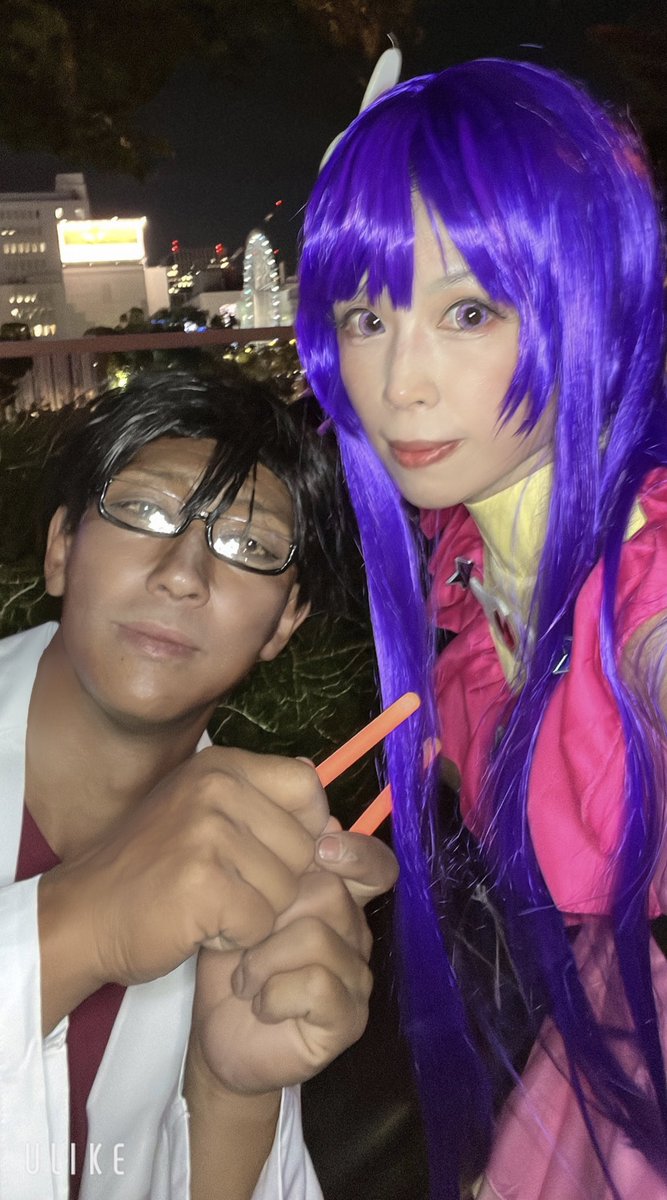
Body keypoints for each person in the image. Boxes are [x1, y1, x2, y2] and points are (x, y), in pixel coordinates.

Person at [296, 58, 667, 1200]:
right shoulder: (468, 553)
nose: (399, 382)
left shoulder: (643, 557)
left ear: (586, 295)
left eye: (468, 311)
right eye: (366, 316)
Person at [0, 369, 397, 1199]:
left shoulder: (255, 872)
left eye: (248, 548)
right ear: (62, 547)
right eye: (145, 512)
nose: (184, 573)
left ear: (284, 623)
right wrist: (82, 925)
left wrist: (233, 1093)